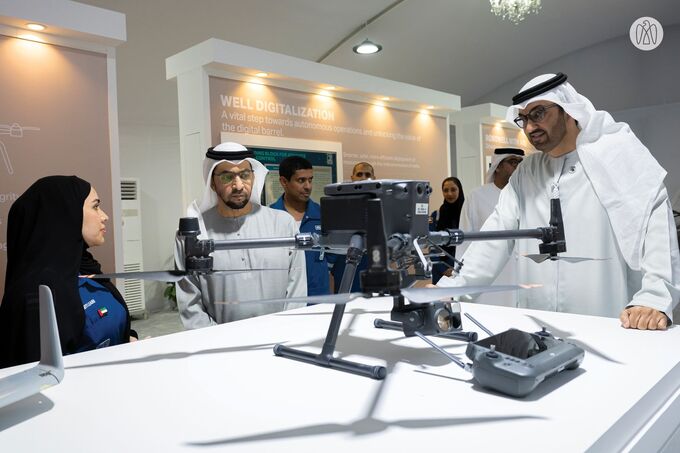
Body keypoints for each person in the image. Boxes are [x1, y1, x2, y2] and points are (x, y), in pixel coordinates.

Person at [437, 73, 680, 330]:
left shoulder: (617, 155)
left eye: (538, 113)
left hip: (609, 324)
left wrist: (654, 298)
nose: (529, 127)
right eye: (524, 119)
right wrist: (451, 291)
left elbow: (655, 229)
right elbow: (496, 237)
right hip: (539, 323)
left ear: (567, 109)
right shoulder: (527, 172)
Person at [0, 176, 136, 367]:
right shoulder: (35, 295)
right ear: (66, 213)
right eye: (95, 206)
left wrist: (129, 339)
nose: (104, 216)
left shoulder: (84, 268)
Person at [174, 142, 307, 329]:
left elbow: (297, 291)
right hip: (219, 346)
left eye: (244, 175)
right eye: (227, 176)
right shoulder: (193, 233)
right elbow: (190, 303)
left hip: (278, 339)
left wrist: (283, 332)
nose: (238, 185)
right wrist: (216, 342)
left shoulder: (283, 224)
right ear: (212, 182)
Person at [455, 148, 524, 306]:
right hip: (486, 274)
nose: (518, 167)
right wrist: (459, 278)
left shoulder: (527, 196)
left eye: (521, 163)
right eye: (513, 162)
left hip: (519, 274)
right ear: (497, 166)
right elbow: (465, 239)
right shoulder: (477, 196)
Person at [270, 156, 330, 296]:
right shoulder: (271, 217)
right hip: (283, 300)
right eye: (301, 180)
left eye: (310, 180)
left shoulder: (322, 215)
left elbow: (332, 262)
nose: (308, 186)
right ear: (284, 182)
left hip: (319, 300)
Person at [328, 161, 376, 292]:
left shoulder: (382, 206)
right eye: (359, 174)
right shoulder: (340, 204)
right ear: (352, 177)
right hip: (344, 265)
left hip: (372, 267)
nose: (363, 178)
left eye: (367, 174)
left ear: (374, 178)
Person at [431, 177, 465, 283]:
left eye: (453, 189)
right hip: (441, 272)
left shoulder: (467, 214)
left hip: (464, 269)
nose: (449, 194)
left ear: (460, 190)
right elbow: (432, 246)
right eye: (445, 190)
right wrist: (444, 270)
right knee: (441, 299)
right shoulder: (436, 215)